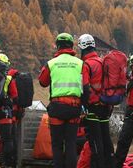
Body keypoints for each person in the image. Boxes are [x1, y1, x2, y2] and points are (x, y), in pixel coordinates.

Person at [38, 33, 85, 168]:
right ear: (71, 45)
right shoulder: (80, 63)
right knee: (71, 143)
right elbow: (86, 85)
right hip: (74, 107)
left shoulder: (51, 63)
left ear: (58, 46)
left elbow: (42, 82)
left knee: (57, 144)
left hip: (57, 108)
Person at [78, 34, 114, 168]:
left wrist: (83, 105)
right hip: (105, 106)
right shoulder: (103, 62)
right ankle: (110, 164)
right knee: (106, 139)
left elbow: (85, 88)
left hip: (93, 107)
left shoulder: (86, 64)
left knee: (95, 141)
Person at [0, 53, 18, 168]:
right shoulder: (9, 79)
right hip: (5, 113)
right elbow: (14, 96)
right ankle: (7, 164)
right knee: (7, 140)